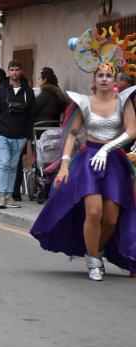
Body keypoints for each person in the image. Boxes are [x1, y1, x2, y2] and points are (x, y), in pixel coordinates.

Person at [31, 33, 136, 281]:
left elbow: (132, 130)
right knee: (94, 212)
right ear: (94, 79)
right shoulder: (83, 103)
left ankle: (97, 250)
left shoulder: (124, 102)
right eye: (100, 74)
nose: (104, 78)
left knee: (111, 217)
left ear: (114, 80)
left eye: (108, 75)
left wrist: (108, 149)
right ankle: (93, 258)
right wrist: (65, 164)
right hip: (89, 162)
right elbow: (72, 134)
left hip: (114, 162)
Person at [0, 60, 35, 209]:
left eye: (17, 69)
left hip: (20, 136)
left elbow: (31, 115)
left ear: (21, 71)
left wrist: (28, 135)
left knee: (12, 166)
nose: (14, 72)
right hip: (2, 134)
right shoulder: (1, 90)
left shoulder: (28, 92)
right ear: (9, 72)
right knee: (4, 163)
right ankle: (3, 195)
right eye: (12, 70)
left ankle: (9, 195)